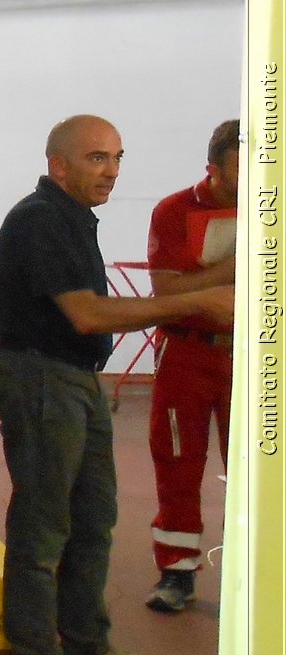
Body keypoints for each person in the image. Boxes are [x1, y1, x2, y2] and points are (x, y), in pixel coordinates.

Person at [0, 114, 233, 655]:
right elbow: (88, 315)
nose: (112, 171)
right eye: (98, 158)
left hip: (75, 378)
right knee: (44, 525)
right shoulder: (39, 221)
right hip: (41, 377)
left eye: (118, 158)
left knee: (93, 518)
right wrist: (196, 298)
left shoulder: (72, 219)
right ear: (59, 163)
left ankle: (86, 644)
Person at [144, 118, 239, 612]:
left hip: (253, 354)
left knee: (253, 466)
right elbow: (168, 292)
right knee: (178, 459)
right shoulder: (173, 211)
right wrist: (237, 264)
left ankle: (251, 571)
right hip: (186, 351)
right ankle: (176, 572)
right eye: (240, 169)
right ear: (213, 168)